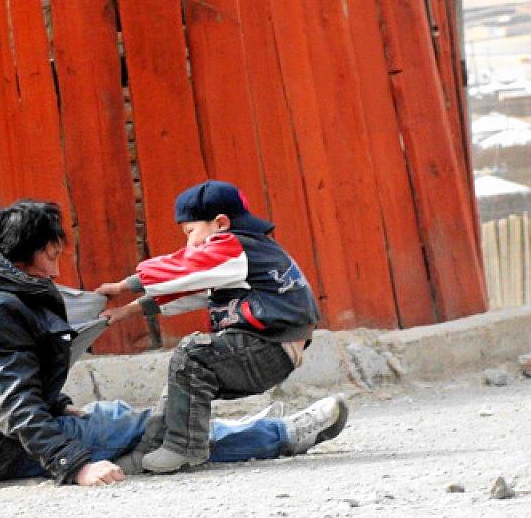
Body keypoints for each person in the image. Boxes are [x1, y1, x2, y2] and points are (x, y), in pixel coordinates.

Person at [0, 199, 335, 487]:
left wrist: (57, 406)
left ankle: (246, 429)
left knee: (119, 419)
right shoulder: (1, 305)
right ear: (22, 255)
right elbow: (13, 404)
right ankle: (278, 434)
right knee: (153, 430)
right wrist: (74, 466)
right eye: (52, 257)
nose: (57, 271)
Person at [97, 180, 347, 474]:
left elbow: (184, 268)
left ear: (220, 223)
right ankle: (146, 454)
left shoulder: (234, 246)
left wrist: (124, 285)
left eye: (190, 232)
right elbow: (192, 292)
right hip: (273, 351)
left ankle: (184, 448)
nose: (189, 243)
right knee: (179, 386)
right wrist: (127, 310)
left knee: (190, 356)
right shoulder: (246, 257)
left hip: (265, 347)